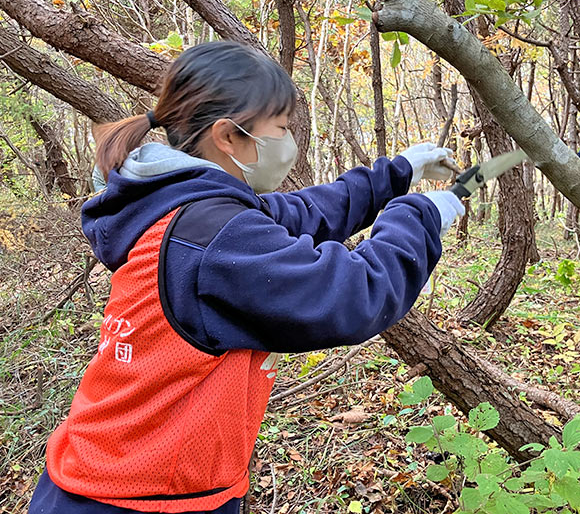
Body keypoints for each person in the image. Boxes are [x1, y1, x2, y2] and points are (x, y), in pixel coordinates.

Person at [28, 41, 465, 514]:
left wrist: (399, 171)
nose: (288, 142)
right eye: (280, 128)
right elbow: (351, 295)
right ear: (229, 136)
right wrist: (420, 217)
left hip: (106, 476)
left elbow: (307, 212)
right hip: (137, 499)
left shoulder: (182, 205)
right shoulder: (213, 233)